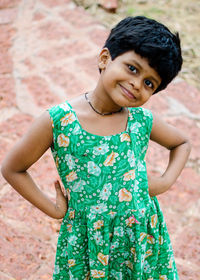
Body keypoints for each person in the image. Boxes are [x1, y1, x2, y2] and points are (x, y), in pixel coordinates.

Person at [1, 16, 191, 279]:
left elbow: (182, 143)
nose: (137, 84)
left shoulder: (141, 120)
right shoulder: (59, 121)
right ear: (104, 59)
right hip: (88, 245)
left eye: (149, 83)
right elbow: (13, 168)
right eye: (133, 69)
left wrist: (165, 181)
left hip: (141, 241)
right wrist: (52, 209)